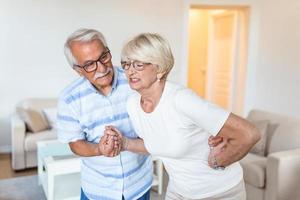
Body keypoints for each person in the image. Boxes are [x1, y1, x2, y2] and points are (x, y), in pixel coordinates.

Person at [106, 33, 261, 200]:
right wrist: (125, 143)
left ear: (160, 68)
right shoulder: (133, 104)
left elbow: (249, 134)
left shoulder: (181, 100)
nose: (130, 70)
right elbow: (158, 143)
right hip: (178, 191)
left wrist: (217, 161)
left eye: (138, 64)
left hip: (218, 192)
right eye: (126, 64)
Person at [56, 29, 153, 200]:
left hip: (138, 183)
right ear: (78, 69)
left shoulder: (136, 82)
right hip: (98, 189)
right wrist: (99, 149)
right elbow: (75, 143)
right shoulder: (68, 99)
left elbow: (155, 125)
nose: (101, 68)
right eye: (89, 64)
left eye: (103, 57)